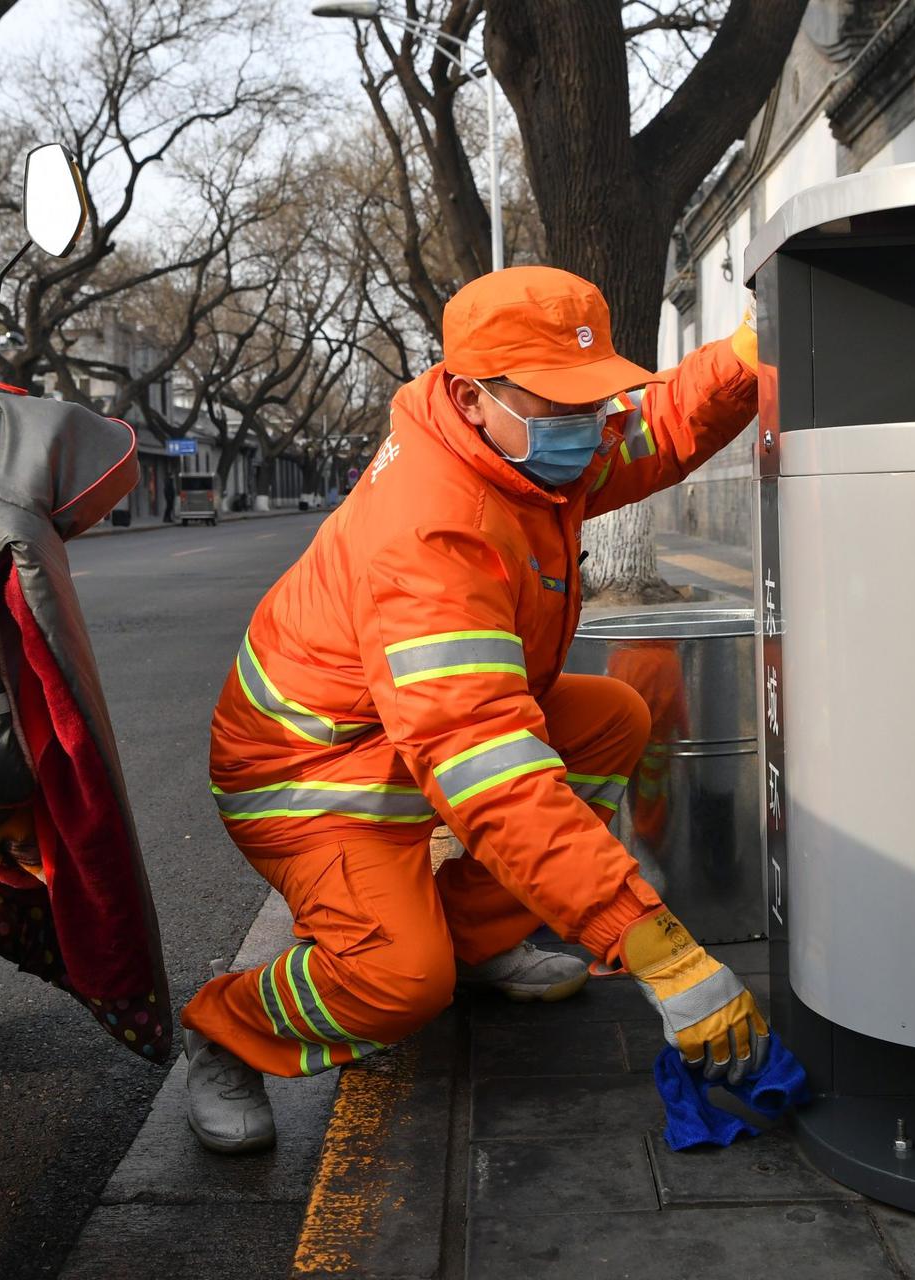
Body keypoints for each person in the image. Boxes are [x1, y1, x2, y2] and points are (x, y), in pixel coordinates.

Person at [181, 265, 764, 1153]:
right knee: (398, 983)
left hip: (397, 735)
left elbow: (658, 423)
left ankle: (473, 939)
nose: (588, 427)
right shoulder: (431, 531)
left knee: (610, 719)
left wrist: (747, 359)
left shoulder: (522, 449)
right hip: (311, 773)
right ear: (468, 394)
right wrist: (656, 949)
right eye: (560, 406)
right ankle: (227, 1032)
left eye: (592, 400)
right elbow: (488, 766)